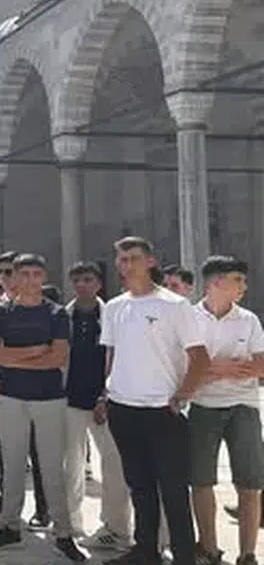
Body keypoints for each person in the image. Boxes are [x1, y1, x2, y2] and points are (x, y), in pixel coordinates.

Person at [102, 236, 209, 565]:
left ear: (150, 261)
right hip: (123, 408)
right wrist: (106, 392)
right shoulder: (115, 306)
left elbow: (200, 358)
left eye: (134, 258)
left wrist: (182, 395)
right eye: (122, 259)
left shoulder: (174, 306)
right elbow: (112, 354)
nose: (127, 265)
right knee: (139, 486)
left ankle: (184, 556)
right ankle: (146, 551)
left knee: (174, 490)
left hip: (162, 411)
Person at [0, 254, 84, 561]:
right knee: (12, 466)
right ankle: (9, 525)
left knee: (52, 468)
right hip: (11, 397)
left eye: (36, 274)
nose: (29, 281)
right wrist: (34, 352)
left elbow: (58, 358)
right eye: (23, 274)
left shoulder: (56, 314)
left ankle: (63, 533)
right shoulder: (2, 312)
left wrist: (12, 357)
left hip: (49, 399)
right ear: (14, 277)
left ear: (43, 277)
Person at [188, 255, 263, 565]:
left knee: (250, 483)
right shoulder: (189, 319)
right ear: (216, 282)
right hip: (203, 406)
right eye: (238, 280)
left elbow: (260, 365)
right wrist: (228, 368)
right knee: (201, 481)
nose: (244, 286)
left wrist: (211, 368)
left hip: (244, 407)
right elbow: (185, 368)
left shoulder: (249, 320)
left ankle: (248, 554)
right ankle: (209, 549)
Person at [63, 261, 132, 551]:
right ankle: (69, 524)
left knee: (114, 466)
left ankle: (116, 529)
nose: (82, 285)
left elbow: (121, 357)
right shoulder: (62, 316)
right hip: (69, 400)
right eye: (77, 280)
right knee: (71, 466)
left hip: (106, 401)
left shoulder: (113, 315)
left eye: (88, 279)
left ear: (99, 284)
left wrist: (106, 394)